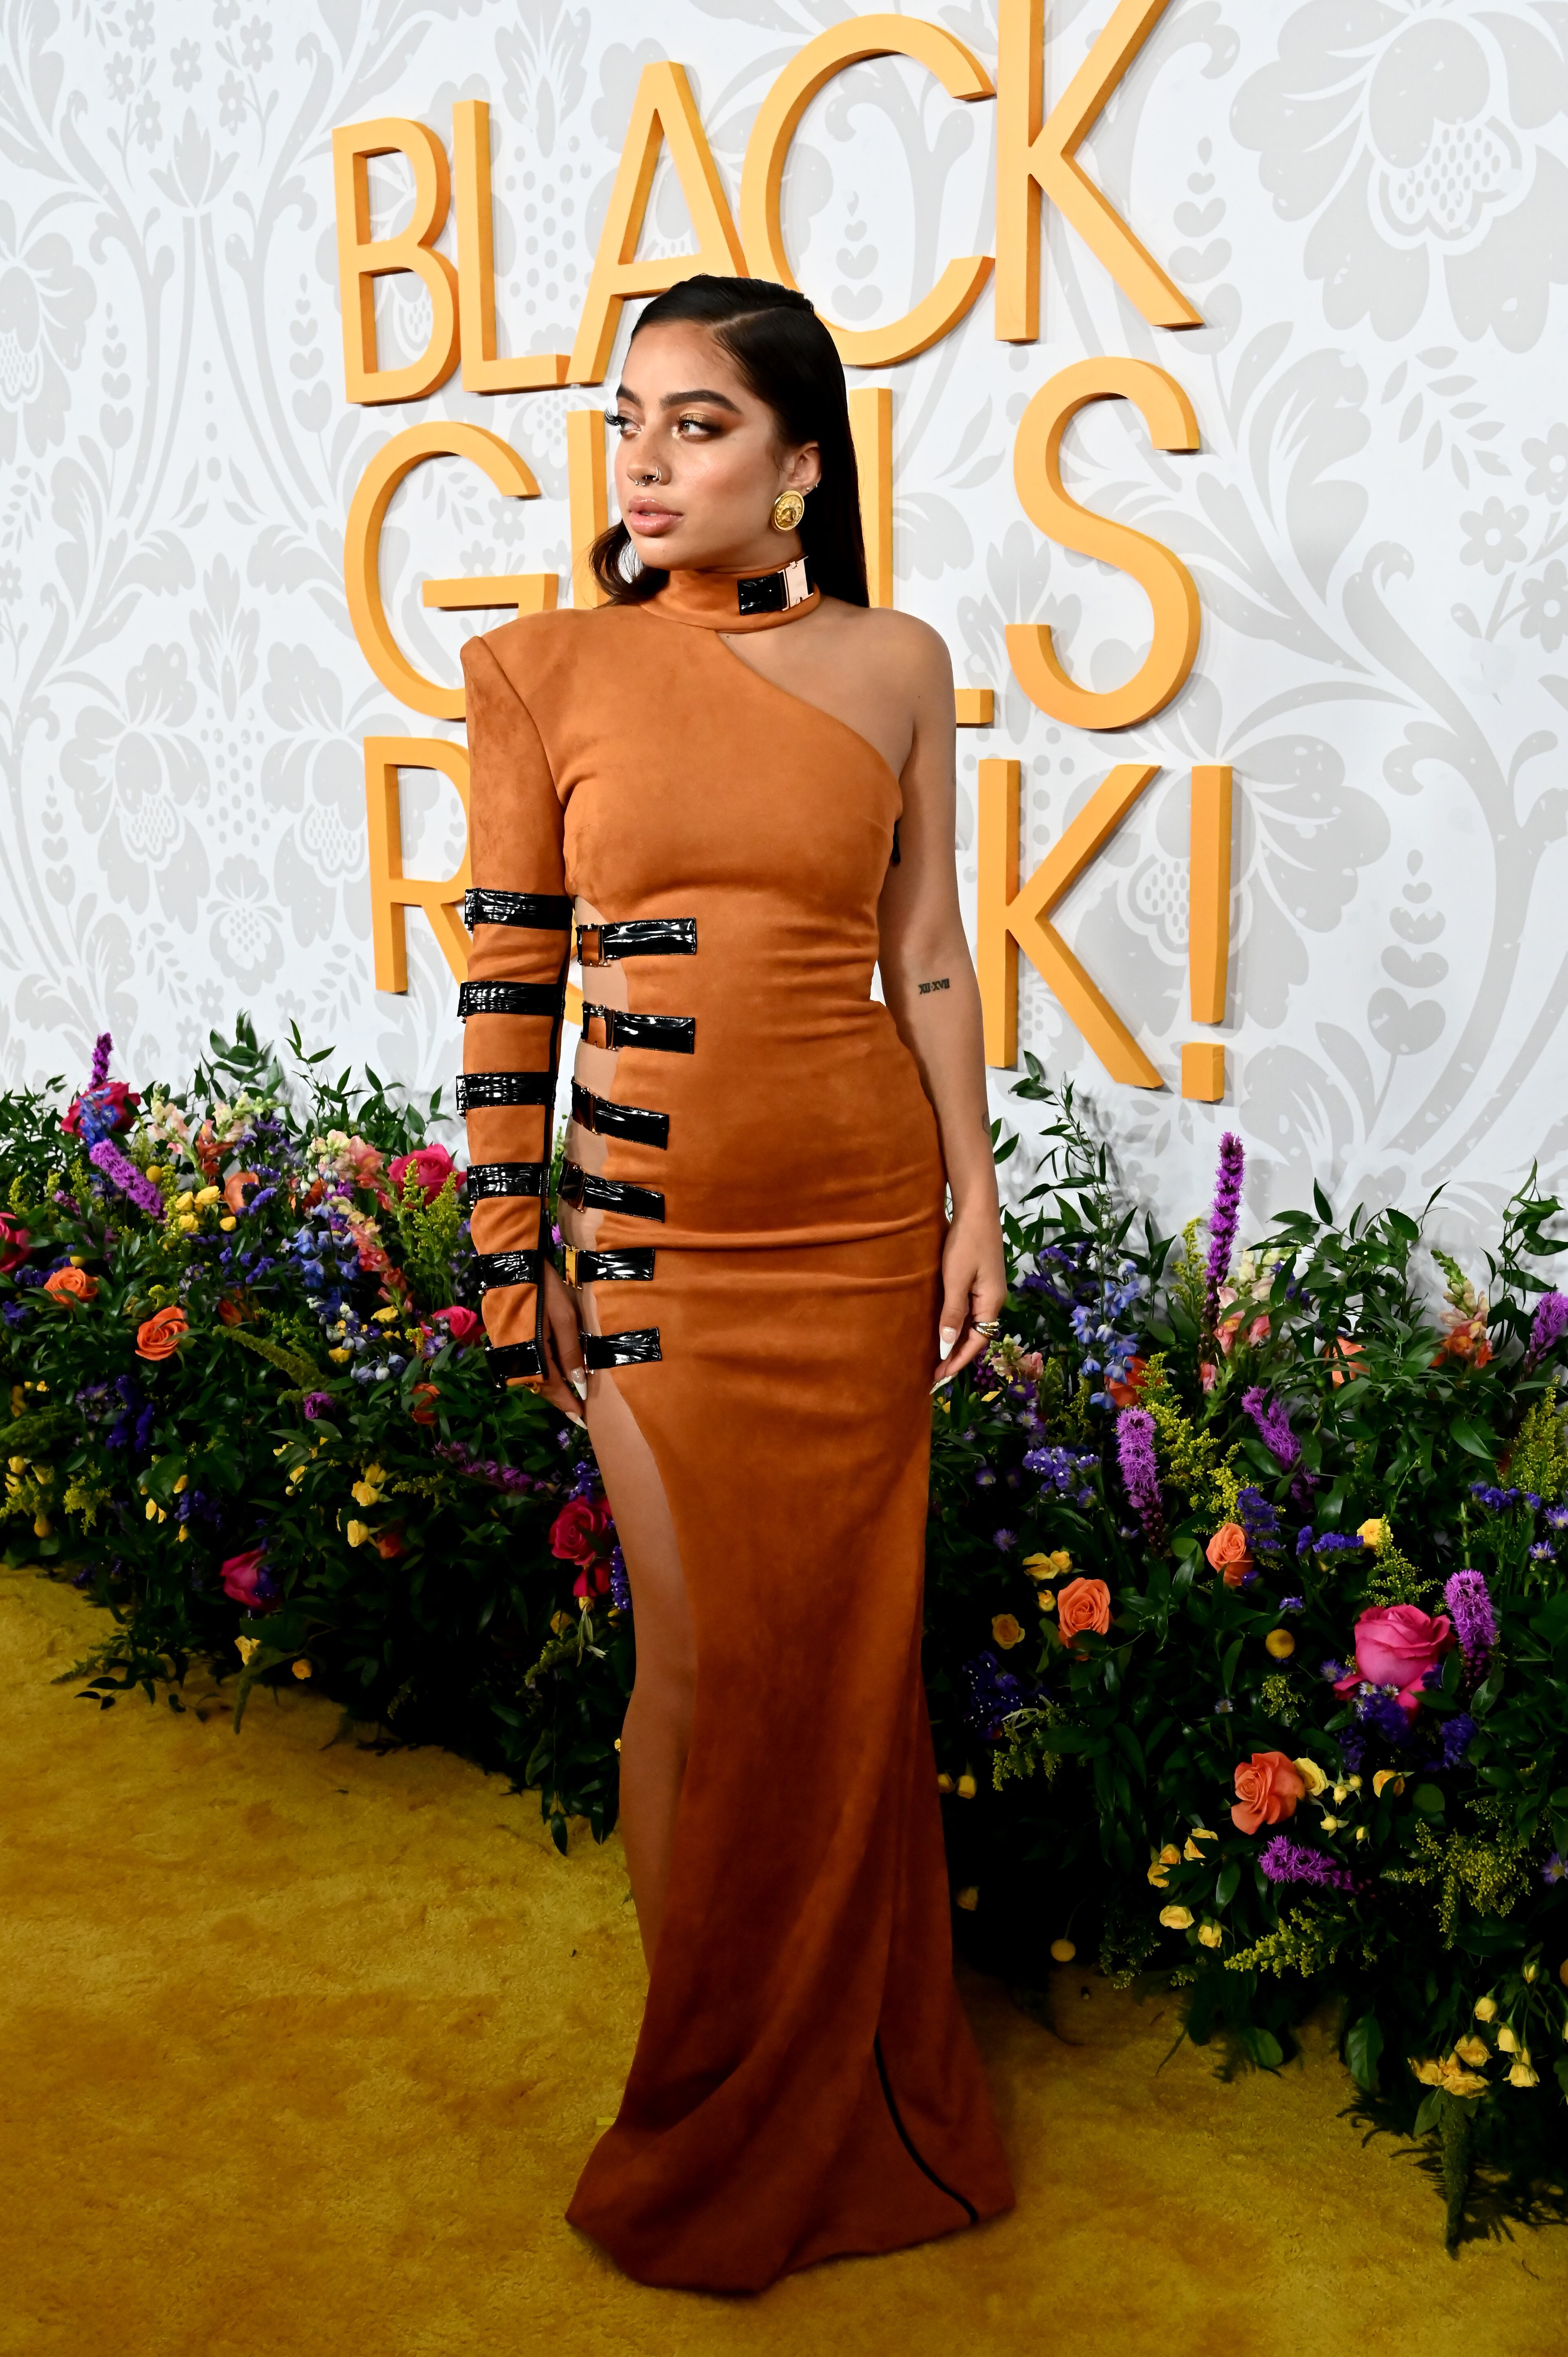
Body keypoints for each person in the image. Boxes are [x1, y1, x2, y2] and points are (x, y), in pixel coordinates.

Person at [457, 273, 1015, 2292]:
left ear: (800, 464)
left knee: (845, 1671)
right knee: (699, 1664)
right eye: (631, 423)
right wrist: (503, 1240)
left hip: (861, 1234)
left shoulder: (898, 662)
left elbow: (929, 951)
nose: (649, 461)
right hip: (655, 1249)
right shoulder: (540, 669)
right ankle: (702, 2091)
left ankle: (841, 2074)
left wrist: (975, 1196)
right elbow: (513, 974)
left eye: (699, 425)